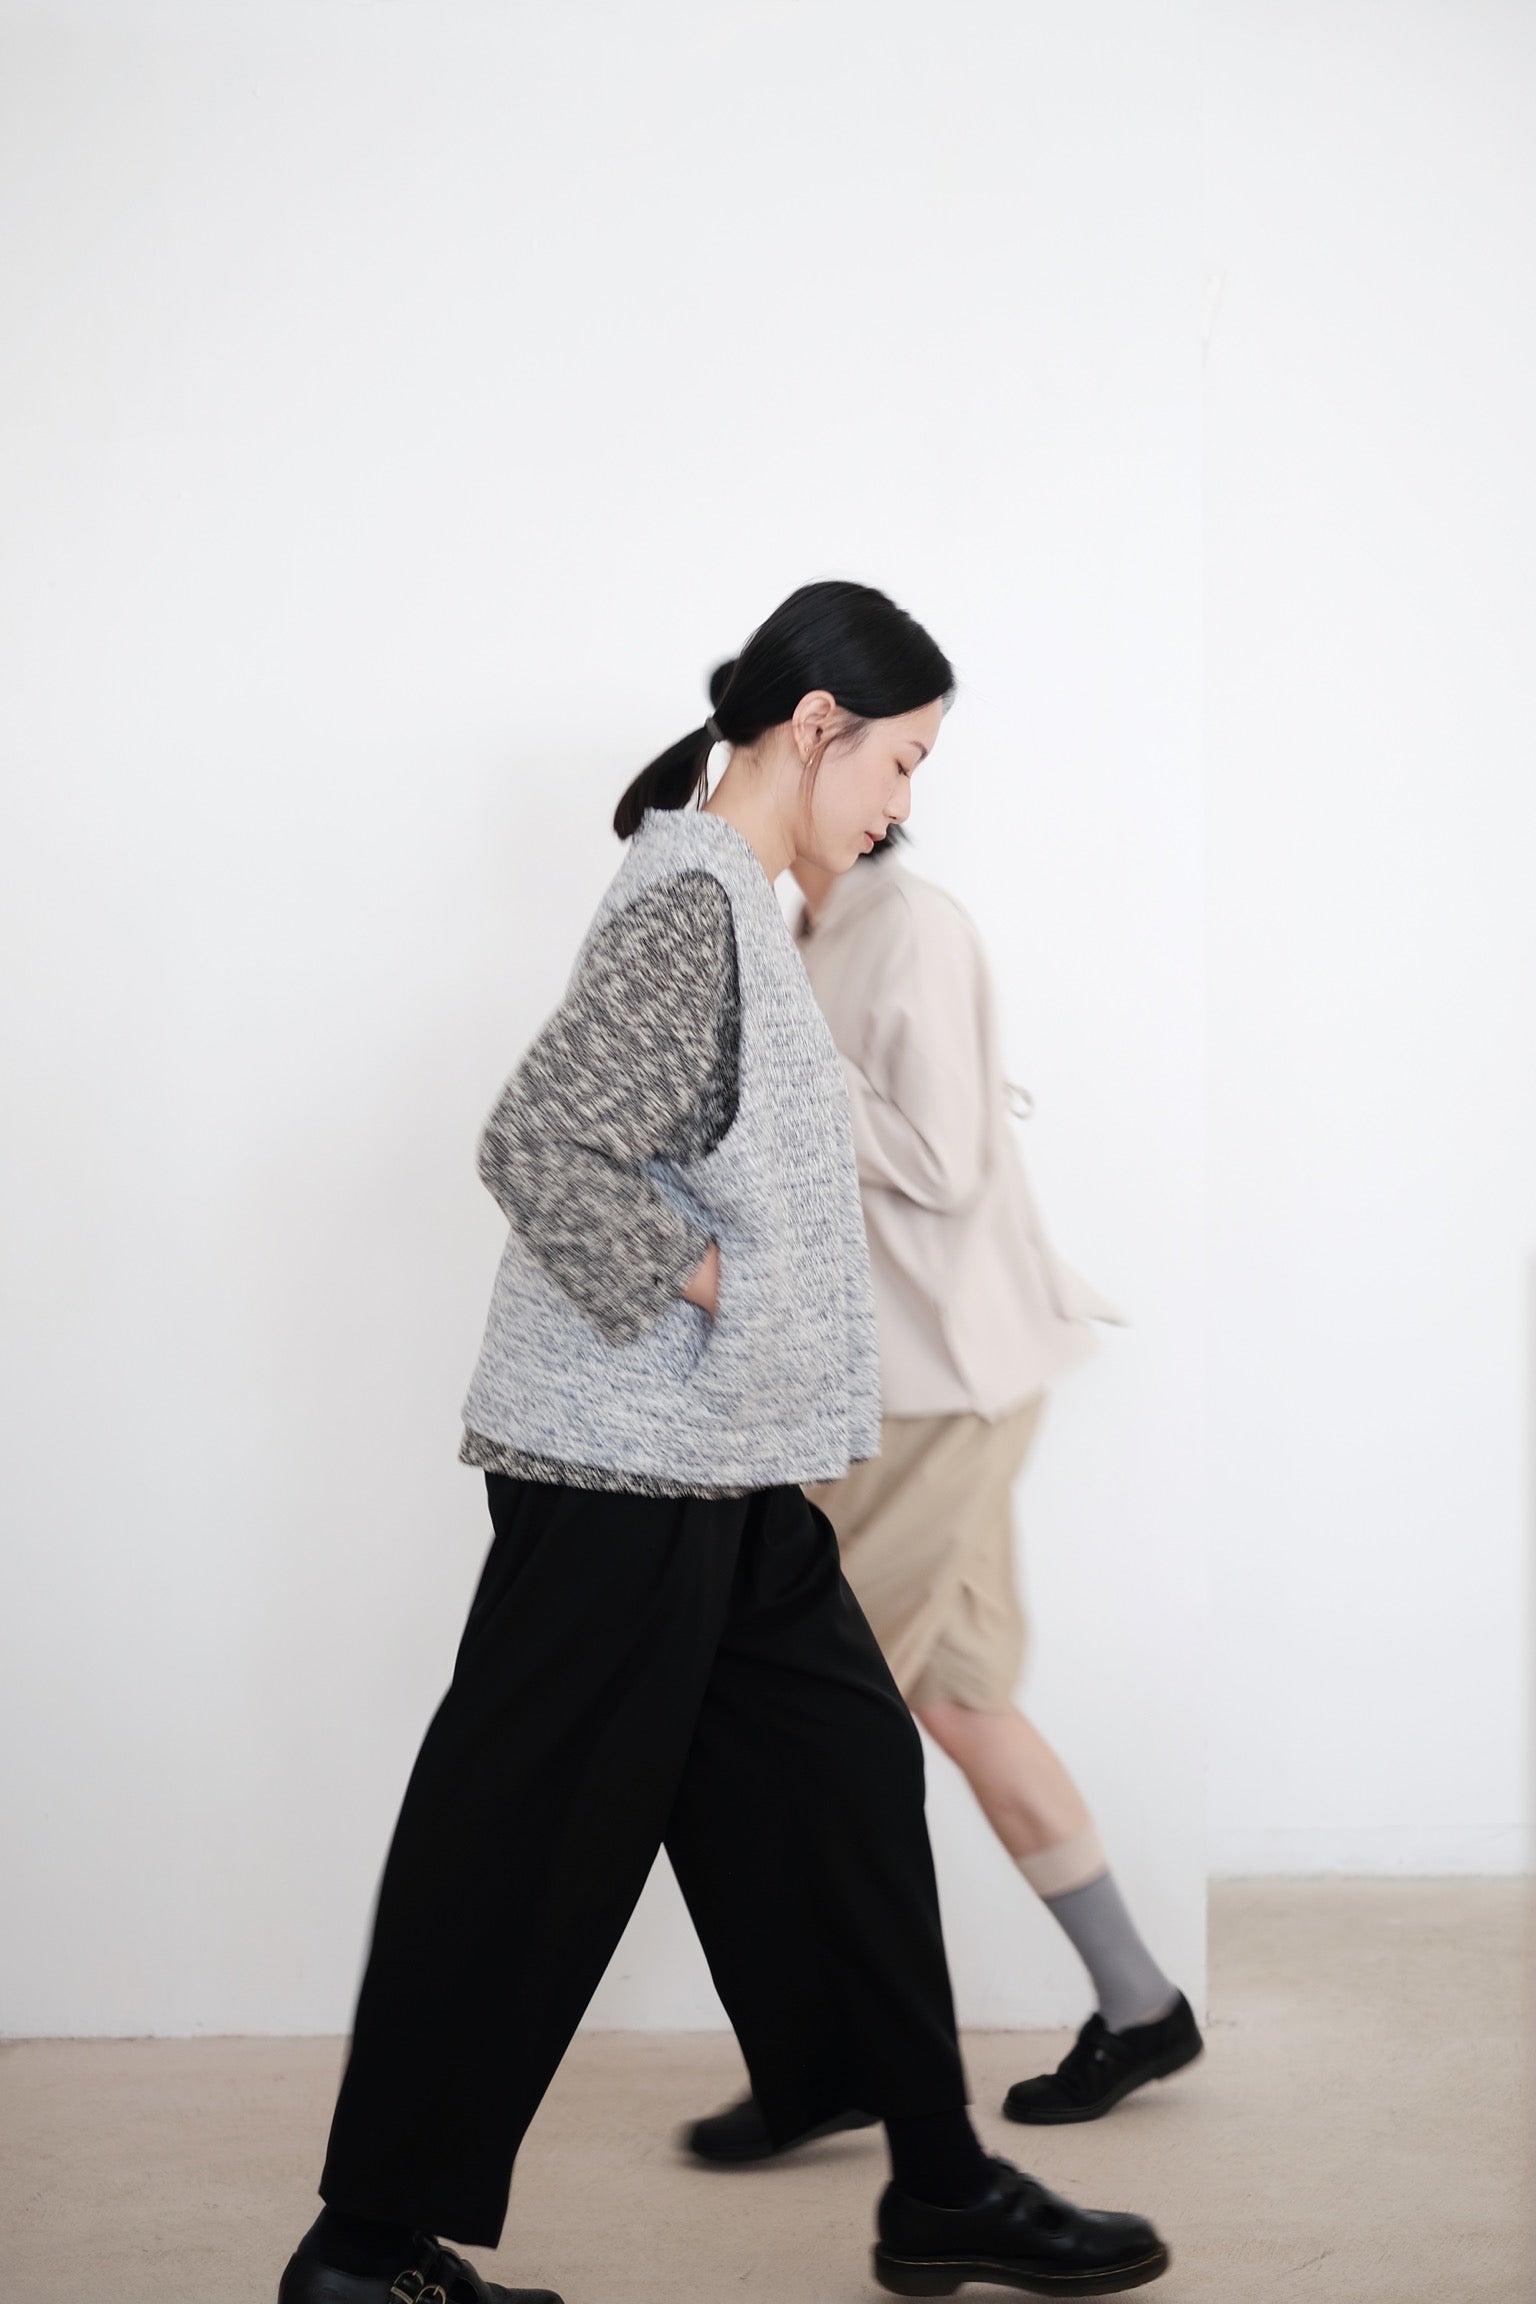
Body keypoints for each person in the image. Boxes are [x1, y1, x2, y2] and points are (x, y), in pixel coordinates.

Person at [276, 582, 1170, 2304]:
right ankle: (364, 2251)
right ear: (817, 727)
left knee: (846, 1781)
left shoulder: (739, 902)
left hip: (722, 1466)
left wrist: (738, 1316)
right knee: (525, 1846)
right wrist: (715, 1281)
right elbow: (539, 1145)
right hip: (621, 1474)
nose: (902, 803)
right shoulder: (694, 903)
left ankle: (940, 2184)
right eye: (901, 761)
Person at [685, 794, 1201, 2172]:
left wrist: (777, 1061)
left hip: (933, 1392)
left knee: (806, 1720)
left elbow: (939, 1155)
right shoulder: (808, 929)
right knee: (962, 1703)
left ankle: (829, 2063)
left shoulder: (910, 926)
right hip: (919, 1384)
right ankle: (1141, 2005)